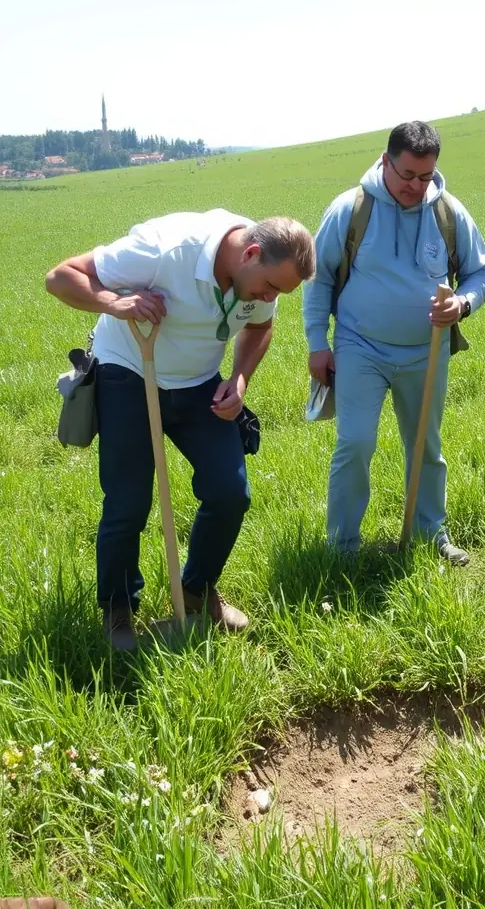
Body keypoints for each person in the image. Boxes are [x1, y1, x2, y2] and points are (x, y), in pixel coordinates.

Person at [46, 209, 315, 651]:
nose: (270, 296)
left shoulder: (265, 273)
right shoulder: (163, 248)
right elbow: (60, 277)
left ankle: (197, 591)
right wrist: (116, 303)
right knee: (128, 501)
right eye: (269, 287)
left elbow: (261, 326)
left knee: (230, 491)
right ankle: (118, 609)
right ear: (250, 253)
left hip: (199, 382)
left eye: (279, 292)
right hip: (129, 371)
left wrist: (240, 379)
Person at [302, 121, 485, 563]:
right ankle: (343, 547)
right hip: (359, 347)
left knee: (425, 443)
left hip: (425, 352)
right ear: (386, 161)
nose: (415, 186)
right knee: (355, 442)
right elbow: (319, 276)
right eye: (407, 175)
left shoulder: (447, 211)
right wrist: (317, 342)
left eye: (425, 177)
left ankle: (432, 533)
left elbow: (482, 271)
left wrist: (462, 305)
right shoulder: (350, 209)